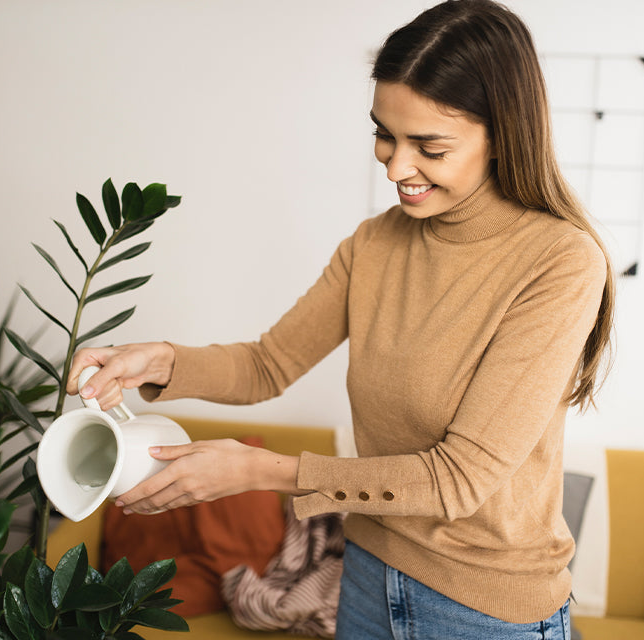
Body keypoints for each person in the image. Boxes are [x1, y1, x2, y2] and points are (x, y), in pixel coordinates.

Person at [67, 1, 615, 637]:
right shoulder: (374, 244)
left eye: (429, 147)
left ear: (503, 133)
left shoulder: (559, 263)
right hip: (366, 579)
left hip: (486, 612)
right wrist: (160, 361)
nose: (395, 166)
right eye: (384, 133)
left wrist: (256, 473)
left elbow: (458, 480)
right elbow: (267, 364)